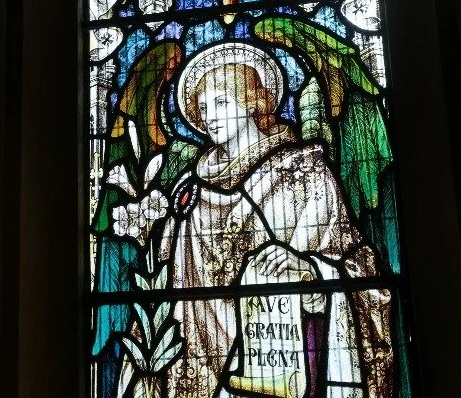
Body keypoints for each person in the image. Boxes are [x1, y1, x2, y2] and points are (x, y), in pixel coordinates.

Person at [164, 43, 393, 397]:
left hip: (297, 355)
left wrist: (313, 275)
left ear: (254, 102)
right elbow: (174, 289)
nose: (210, 117)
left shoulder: (306, 171)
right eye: (203, 108)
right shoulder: (191, 192)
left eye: (222, 102)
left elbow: (361, 269)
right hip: (204, 365)